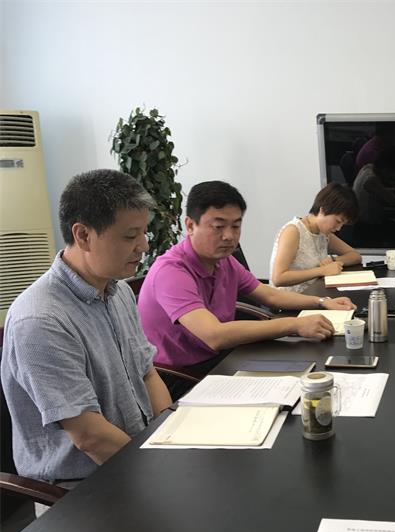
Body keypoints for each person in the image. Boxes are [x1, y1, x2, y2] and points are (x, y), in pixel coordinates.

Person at [0, 169, 172, 490]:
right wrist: (162, 472)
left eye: (144, 233)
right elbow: (89, 436)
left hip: (137, 455)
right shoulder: (40, 319)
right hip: (80, 487)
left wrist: (171, 434)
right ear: (83, 235)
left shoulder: (119, 291)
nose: (144, 245)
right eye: (130, 236)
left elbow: (147, 373)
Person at [137, 180, 355, 377]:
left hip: (221, 357)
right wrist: (295, 325)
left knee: (310, 368)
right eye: (218, 227)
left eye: (236, 226)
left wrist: (322, 302)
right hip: (183, 374)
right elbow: (214, 335)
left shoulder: (224, 261)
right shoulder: (171, 271)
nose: (229, 236)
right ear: (190, 226)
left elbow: (269, 295)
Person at [269, 183, 362, 294]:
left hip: (314, 294)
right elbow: (278, 278)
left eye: (342, 224)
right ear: (322, 210)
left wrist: (333, 260)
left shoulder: (323, 233)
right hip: (290, 299)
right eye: (338, 221)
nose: (338, 228)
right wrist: (322, 271)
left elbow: (355, 256)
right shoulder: (293, 231)